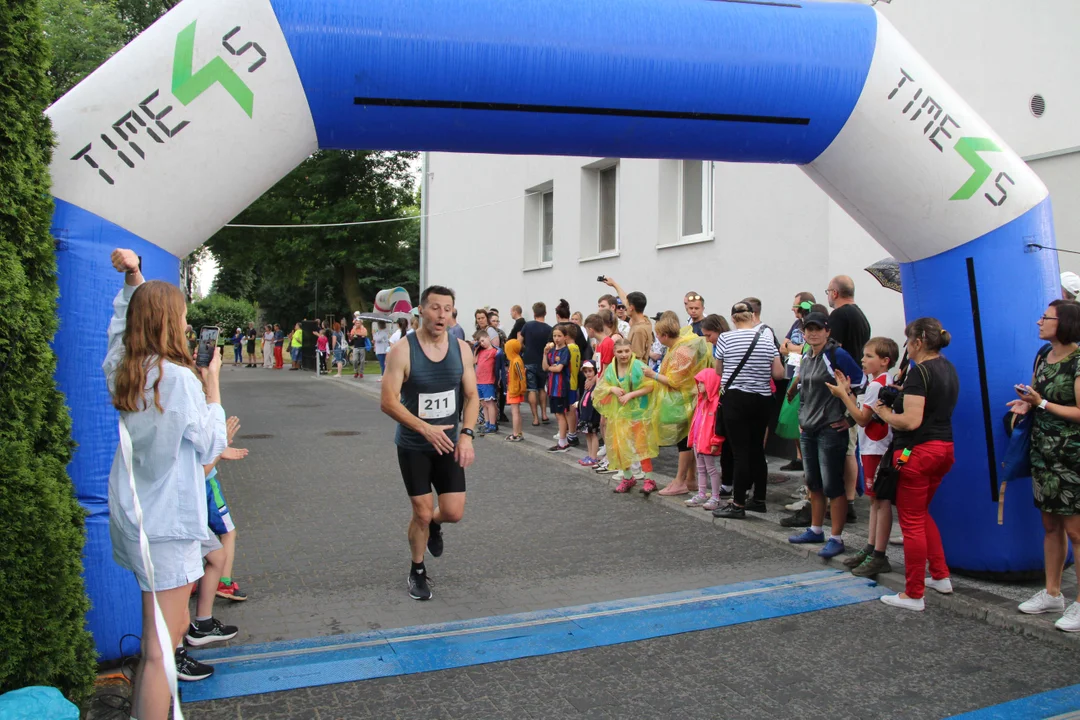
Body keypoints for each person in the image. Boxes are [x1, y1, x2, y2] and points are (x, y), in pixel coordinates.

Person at [103, 248, 232, 716]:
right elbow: (209, 444)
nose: (186, 327)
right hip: (169, 524)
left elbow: (119, 330)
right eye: (179, 317)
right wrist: (212, 382)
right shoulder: (177, 379)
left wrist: (134, 279)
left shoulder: (123, 369)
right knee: (161, 650)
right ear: (167, 321)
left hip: (136, 515)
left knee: (169, 629)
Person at [380, 285, 478, 602]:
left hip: (449, 444)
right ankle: (417, 570)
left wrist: (466, 434)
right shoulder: (402, 351)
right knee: (421, 513)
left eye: (447, 308)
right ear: (421, 310)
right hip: (414, 445)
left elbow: (472, 395)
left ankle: (436, 525)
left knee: (453, 512)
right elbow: (388, 401)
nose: (441, 314)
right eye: (435, 307)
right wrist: (424, 428)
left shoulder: (461, 349)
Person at [873, 317, 958, 611]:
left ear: (918, 343)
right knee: (921, 514)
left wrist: (884, 412)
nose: (907, 347)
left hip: (916, 451)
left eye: (909, 342)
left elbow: (911, 420)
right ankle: (940, 575)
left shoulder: (919, 372)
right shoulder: (948, 368)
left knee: (910, 523)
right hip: (943, 448)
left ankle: (913, 593)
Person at [1009, 300, 1080, 630]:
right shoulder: (1042, 356)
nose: (1039, 322)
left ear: (1063, 322)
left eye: (1046, 317)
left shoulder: (1078, 360)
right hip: (1044, 454)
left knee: (1076, 532)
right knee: (1050, 526)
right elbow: (1038, 392)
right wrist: (1027, 402)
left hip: (1072, 456)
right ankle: (1052, 592)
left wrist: (1043, 403)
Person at [785, 311, 863, 553]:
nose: (813, 332)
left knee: (833, 485)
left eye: (818, 328)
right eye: (809, 328)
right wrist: (797, 397)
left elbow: (860, 386)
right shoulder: (808, 356)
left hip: (830, 428)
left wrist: (850, 420)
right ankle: (816, 530)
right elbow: (806, 386)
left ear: (828, 331)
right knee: (814, 483)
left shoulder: (836, 354)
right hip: (808, 428)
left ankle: (837, 538)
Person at [829, 337, 900, 576]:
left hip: (876, 448)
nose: (863, 360)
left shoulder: (876, 385)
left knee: (880, 501)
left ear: (884, 361)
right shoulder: (879, 382)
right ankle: (871, 548)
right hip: (874, 446)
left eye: (869, 356)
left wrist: (842, 395)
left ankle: (878, 553)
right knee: (874, 501)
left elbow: (861, 418)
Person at [712, 302, 787, 519]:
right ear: (752, 316)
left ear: (734, 319)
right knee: (757, 450)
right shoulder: (766, 339)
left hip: (736, 399)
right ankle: (759, 499)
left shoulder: (726, 338)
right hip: (762, 400)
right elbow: (779, 374)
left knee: (740, 452)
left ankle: (738, 504)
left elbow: (718, 370)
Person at [646, 313, 711, 497]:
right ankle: (690, 479)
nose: (657, 338)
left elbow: (675, 380)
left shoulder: (681, 350)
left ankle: (680, 481)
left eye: (658, 335)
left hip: (684, 400)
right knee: (688, 440)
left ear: (665, 335)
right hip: (688, 399)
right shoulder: (684, 344)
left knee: (684, 442)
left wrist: (653, 375)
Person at [825, 276, 871, 518]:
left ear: (834, 293)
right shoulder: (860, 315)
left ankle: (840, 502)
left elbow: (833, 352)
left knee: (840, 448)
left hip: (842, 389)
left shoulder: (838, 316)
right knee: (850, 448)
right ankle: (849, 500)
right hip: (856, 387)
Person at [594, 338, 660, 494]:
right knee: (619, 446)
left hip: (638, 413)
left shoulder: (638, 366)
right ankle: (628, 477)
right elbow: (602, 386)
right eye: (620, 351)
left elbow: (651, 386)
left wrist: (631, 395)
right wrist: (612, 390)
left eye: (626, 351)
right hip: (620, 413)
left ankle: (649, 479)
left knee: (642, 446)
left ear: (631, 351)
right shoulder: (611, 368)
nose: (624, 355)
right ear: (614, 353)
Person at [203, 415, 250, 604]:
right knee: (228, 533)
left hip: (189, 485)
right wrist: (219, 448)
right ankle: (224, 582)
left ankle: (190, 583)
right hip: (205, 484)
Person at [779, 294, 815, 471]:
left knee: (801, 419)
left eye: (795, 306)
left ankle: (806, 460)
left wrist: (793, 348)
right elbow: (782, 347)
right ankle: (799, 457)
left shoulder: (811, 324)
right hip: (793, 374)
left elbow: (808, 347)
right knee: (792, 418)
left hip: (804, 378)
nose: (793, 309)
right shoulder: (796, 324)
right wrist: (796, 348)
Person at [685, 368, 724, 510]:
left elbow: (718, 426)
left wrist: (715, 441)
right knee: (701, 469)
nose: (699, 385)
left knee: (711, 469)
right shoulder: (702, 401)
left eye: (702, 383)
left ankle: (715, 497)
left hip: (707, 442)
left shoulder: (716, 403)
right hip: (698, 442)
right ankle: (702, 494)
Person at [520, 302, 553, 426]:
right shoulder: (549, 329)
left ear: (534, 313)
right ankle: (544, 414)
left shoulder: (527, 326)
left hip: (529, 360)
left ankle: (535, 418)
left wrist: (526, 349)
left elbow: (519, 343)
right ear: (545, 313)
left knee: (532, 389)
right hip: (543, 361)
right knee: (541, 388)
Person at [543, 325, 572, 452]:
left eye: (559, 336)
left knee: (560, 414)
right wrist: (544, 354)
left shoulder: (565, 351)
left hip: (561, 387)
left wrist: (551, 367)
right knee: (557, 413)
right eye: (555, 336)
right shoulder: (551, 351)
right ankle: (563, 441)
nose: (556, 338)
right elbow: (544, 367)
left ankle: (562, 442)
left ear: (565, 337)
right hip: (552, 386)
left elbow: (559, 368)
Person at [576, 361, 602, 466]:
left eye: (590, 371)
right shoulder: (587, 383)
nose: (588, 374)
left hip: (592, 414)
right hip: (585, 413)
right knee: (587, 434)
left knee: (593, 434)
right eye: (586, 371)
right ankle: (590, 455)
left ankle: (594, 457)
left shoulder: (597, 384)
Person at [473, 330, 499, 434]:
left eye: (483, 340)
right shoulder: (481, 351)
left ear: (488, 337)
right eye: (480, 342)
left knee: (490, 403)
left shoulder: (494, 351)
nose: (482, 343)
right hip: (479, 380)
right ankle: (487, 422)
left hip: (488, 380)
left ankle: (493, 424)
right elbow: (474, 362)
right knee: (484, 403)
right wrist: (476, 349)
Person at [503, 338, 527, 442]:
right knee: (516, 412)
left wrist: (522, 388)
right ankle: (518, 432)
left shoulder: (516, 360)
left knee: (515, 412)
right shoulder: (515, 359)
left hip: (515, 389)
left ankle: (516, 434)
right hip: (514, 388)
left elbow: (521, 376)